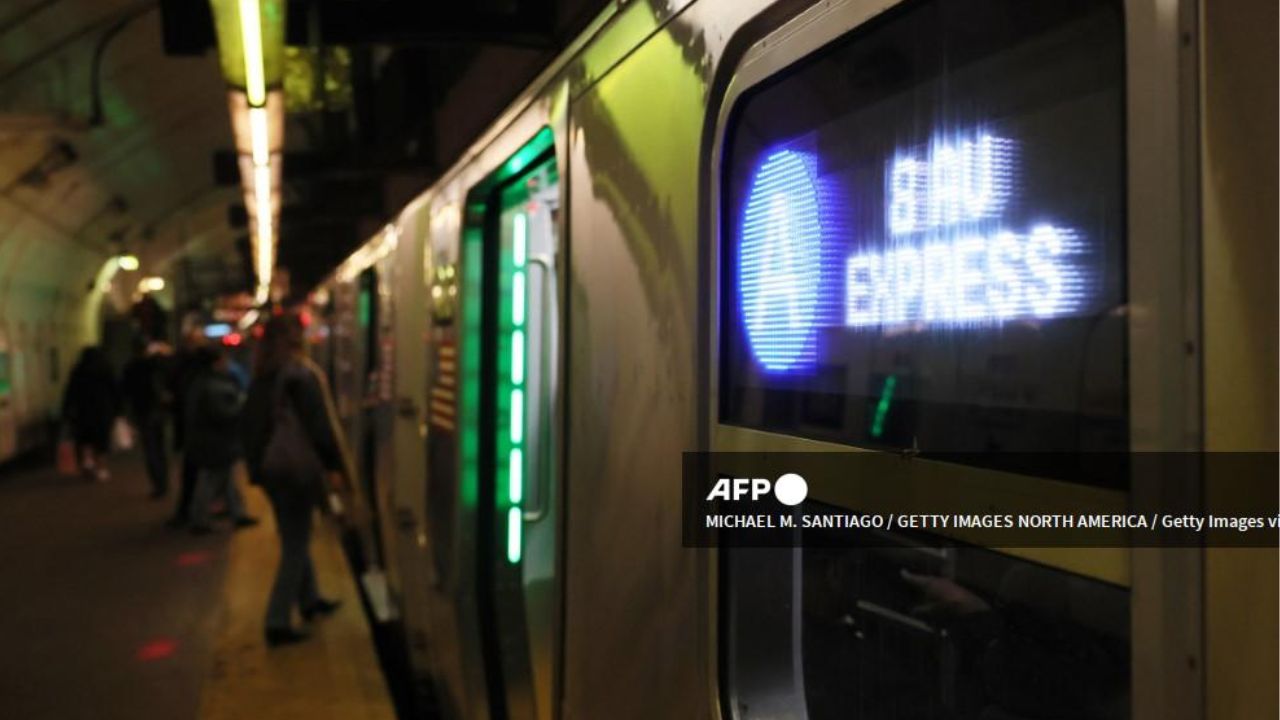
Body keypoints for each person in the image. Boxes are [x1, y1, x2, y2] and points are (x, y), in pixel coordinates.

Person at [243, 312, 344, 647]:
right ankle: (276, 620)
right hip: (296, 469)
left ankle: (310, 599)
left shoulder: (260, 375)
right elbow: (318, 426)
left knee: (294, 536)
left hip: (271, 469)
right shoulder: (299, 374)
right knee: (297, 544)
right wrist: (334, 465)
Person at [184, 346, 258, 534]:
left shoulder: (201, 382)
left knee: (224, 479)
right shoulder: (216, 386)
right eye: (224, 361)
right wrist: (242, 403)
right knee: (211, 479)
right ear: (216, 363)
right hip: (216, 441)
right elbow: (225, 414)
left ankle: (237, 514)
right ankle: (200, 520)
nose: (227, 364)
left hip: (209, 440)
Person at [61, 346, 122, 482]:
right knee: (101, 442)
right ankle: (101, 469)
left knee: (85, 440)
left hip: (83, 412)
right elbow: (115, 392)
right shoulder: (106, 370)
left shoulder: (78, 371)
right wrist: (118, 410)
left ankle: (87, 464)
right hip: (103, 412)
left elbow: (70, 393)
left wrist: (66, 411)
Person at [166, 329, 207, 526]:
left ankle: (189, 511)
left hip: (189, 428)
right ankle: (196, 513)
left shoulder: (181, 368)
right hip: (199, 431)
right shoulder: (200, 371)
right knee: (206, 473)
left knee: (195, 473)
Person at [122, 340, 173, 498]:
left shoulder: (131, 367)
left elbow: (125, 390)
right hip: (158, 410)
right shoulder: (155, 365)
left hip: (143, 411)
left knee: (151, 449)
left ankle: (158, 484)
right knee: (161, 448)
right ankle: (164, 481)